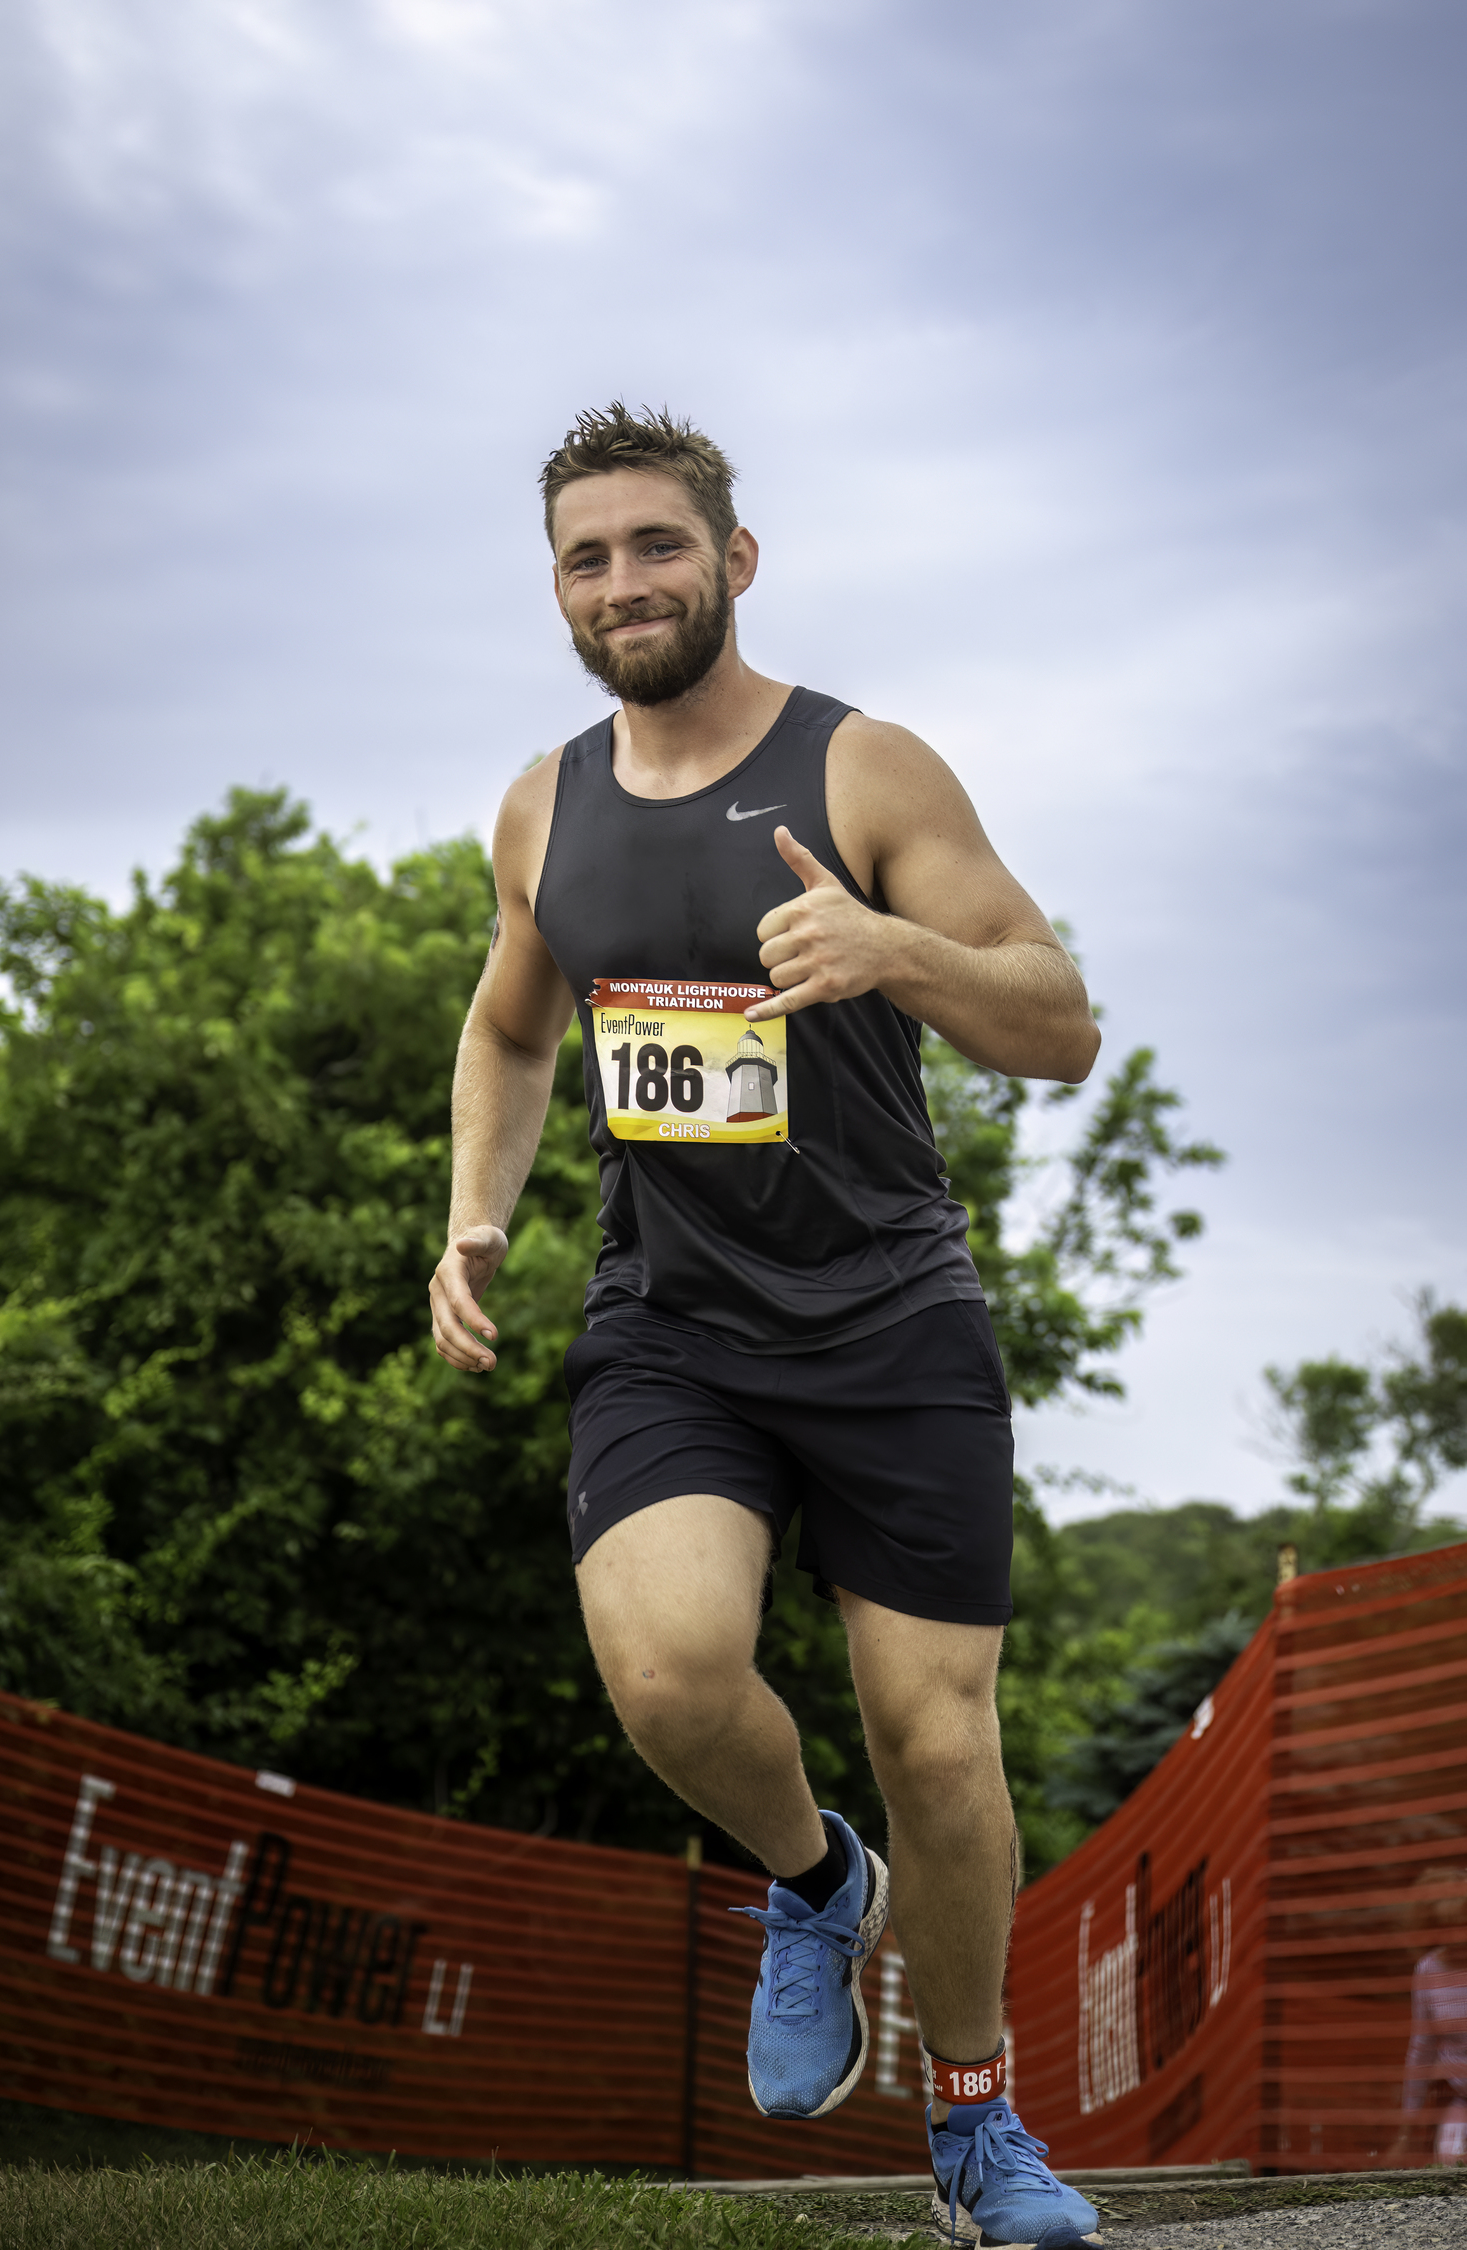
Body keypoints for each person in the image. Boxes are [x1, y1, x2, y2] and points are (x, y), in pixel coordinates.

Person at [428, 402, 1103, 2247]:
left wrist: (904, 957)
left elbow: (1060, 1017)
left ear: (734, 560)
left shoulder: (864, 769)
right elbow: (511, 1024)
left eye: (658, 545)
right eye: (588, 556)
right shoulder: (542, 808)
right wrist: (474, 1212)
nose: (623, 582)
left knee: (940, 1740)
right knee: (664, 1675)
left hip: (893, 1319)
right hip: (676, 1325)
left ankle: (974, 2118)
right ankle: (815, 1885)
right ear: (557, 591)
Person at [1388, 1865, 1467, 2167]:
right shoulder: (1428, 1970)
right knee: (1450, 2159)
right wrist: (1406, 2134)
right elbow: (1421, 2050)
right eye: (1446, 1926)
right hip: (1462, 2097)